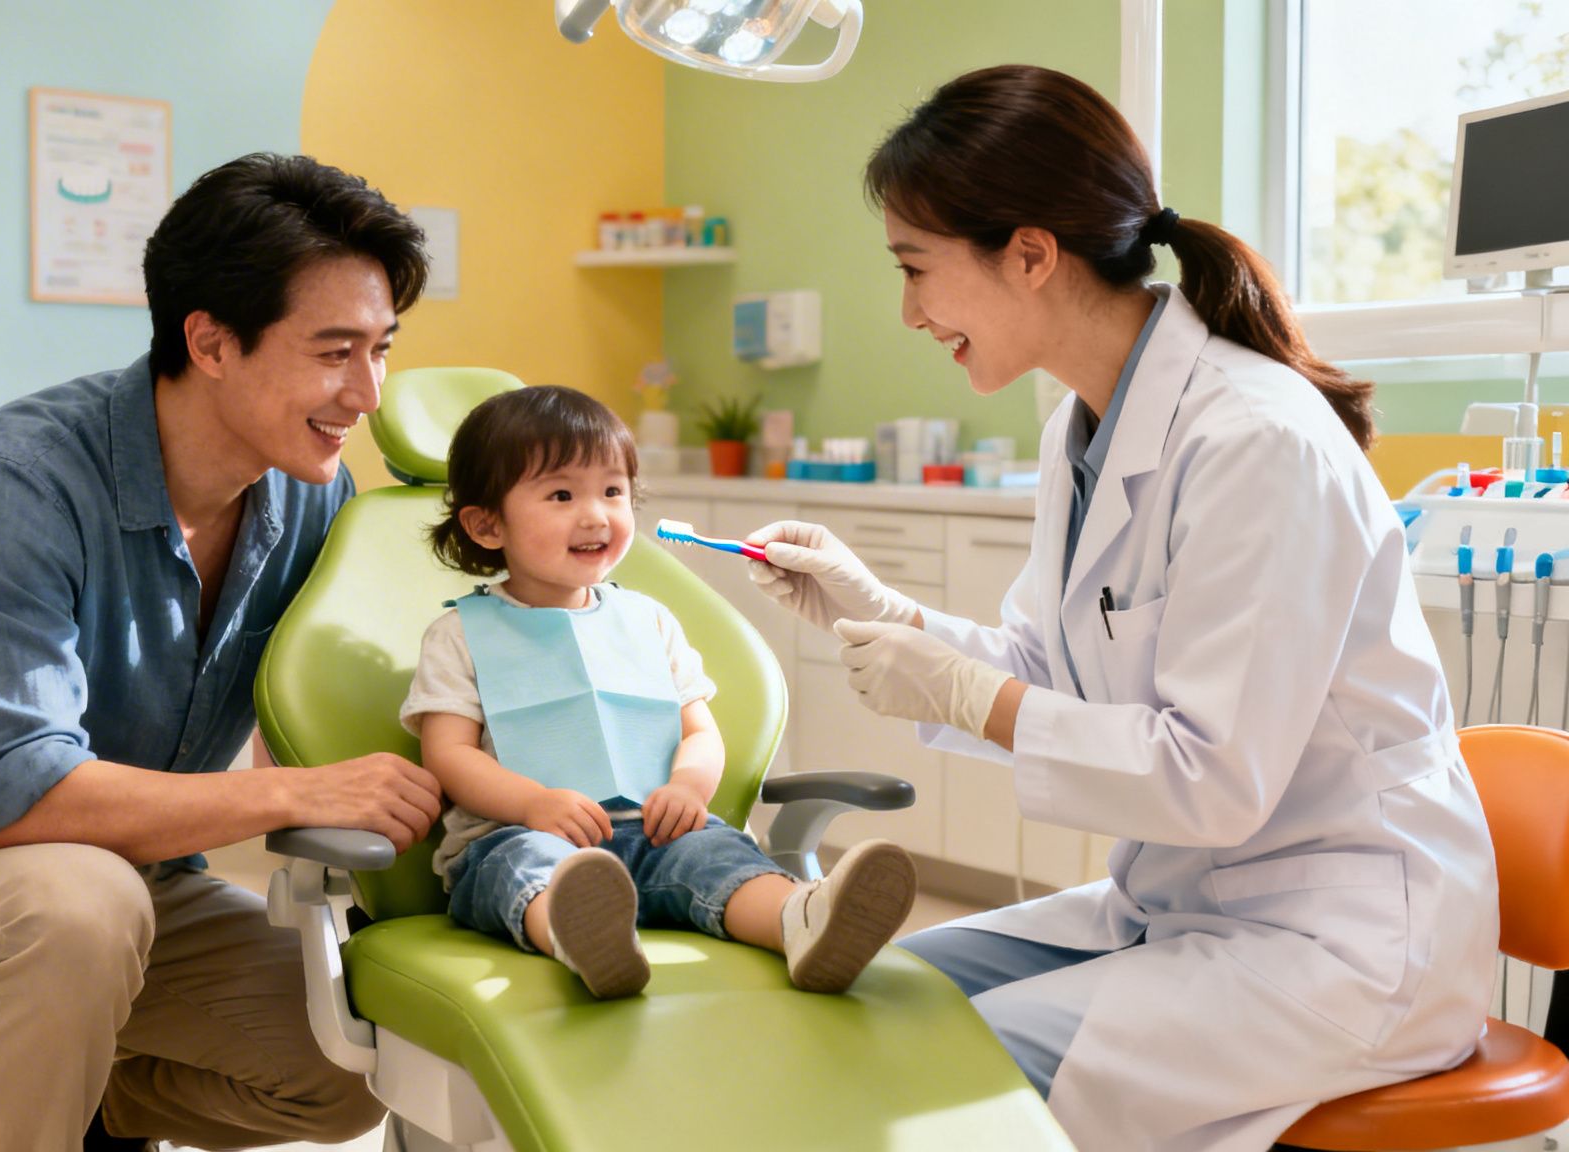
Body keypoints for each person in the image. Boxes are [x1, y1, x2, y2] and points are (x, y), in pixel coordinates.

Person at [743, 66, 1497, 1152]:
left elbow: (1208, 778)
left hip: (1343, 937)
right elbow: (1045, 668)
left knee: (952, 1079)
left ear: (1031, 254)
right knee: (863, 994)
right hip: (1185, 906)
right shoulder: (1083, 427)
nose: (907, 312)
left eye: (915, 270)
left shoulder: (1255, 441)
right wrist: (886, 618)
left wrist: (961, 690)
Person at [0, 153, 447, 1152]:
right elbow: (22, 798)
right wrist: (299, 795)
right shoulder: (15, 481)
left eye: (381, 349)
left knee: (351, 1047)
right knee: (74, 909)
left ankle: (55, 1107)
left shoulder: (315, 493)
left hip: (140, 883)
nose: (366, 392)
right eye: (334, 352)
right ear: (211, 341)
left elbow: (313, 713)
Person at [401, 384, 917, 1000]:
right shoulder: (459, 634)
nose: (597, 515)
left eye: (613, 491)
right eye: (562, 494)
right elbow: (449, 755)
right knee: (525, 868)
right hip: (520, 834)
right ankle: (579, 933)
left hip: (654, 832)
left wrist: (686, 787)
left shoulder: (649, 621)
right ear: (486, 525)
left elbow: (699, 730)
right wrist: (534, 805)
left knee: (715, 854)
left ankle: (803, 922)